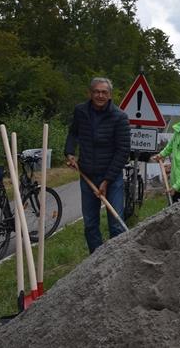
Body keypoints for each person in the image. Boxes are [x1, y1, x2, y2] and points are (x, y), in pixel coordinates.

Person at [65, 77, 130, 253]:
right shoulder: (81, 111)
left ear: (110, 95)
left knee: (116, 225)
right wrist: (69, 153)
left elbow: (123, 151)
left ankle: (118, 261)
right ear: (90, 93)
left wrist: (107, 180)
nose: (100, 95)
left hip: (112, 178)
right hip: (87, 176)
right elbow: (73, 133)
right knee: (90, 224)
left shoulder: (120, 117)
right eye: (97, 92)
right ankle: (96, 263)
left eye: (104, 92)